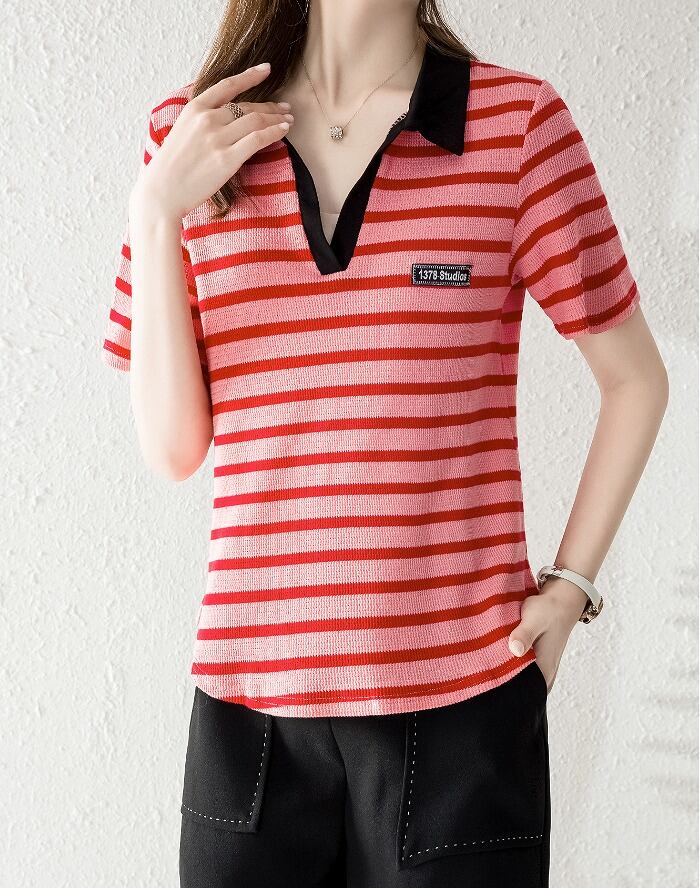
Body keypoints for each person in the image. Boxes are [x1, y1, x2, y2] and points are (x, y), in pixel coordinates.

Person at [100, 1, 669, 886]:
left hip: (463, 716)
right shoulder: (189, 137)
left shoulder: (517, 125)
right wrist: (152, 211)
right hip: (249, 721)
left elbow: (636, 381)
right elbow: (174, 450)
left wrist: (571, 590)